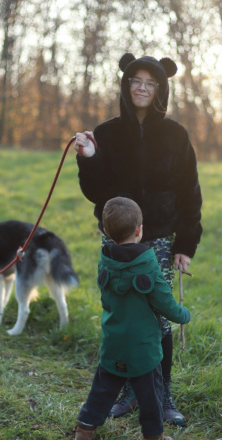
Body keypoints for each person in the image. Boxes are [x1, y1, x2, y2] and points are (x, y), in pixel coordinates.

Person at [74, 53, 202, 426]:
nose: (142, 88)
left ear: (161, 88)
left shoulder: (176, 135)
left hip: (159, 239)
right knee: (124, 316)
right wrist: (90, 157)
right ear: (126, 84)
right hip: (116, 241)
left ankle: (161, 397)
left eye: (150, 82)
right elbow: (96, 191)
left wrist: (185, 245)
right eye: (136, 81)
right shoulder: (108, 133)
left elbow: (190, 192)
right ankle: (130, 392)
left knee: (157, 321)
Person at [74, 197, 190, 440]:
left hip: (113, 344)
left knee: (102, 391)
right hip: (143, 349)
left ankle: (85, 429)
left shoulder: (105, 261)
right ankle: (154, 436)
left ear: (106, 231)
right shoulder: (148, 266)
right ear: (140, 230)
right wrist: (183, 315)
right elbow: (165, 304)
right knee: (151, 396)